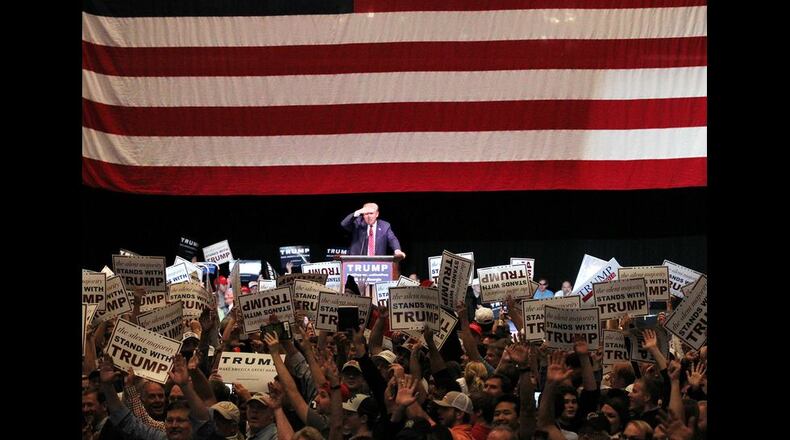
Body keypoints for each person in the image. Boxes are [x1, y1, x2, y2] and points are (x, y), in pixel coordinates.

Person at [341, 203, 405, 259]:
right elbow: (344, 224)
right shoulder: (358, 223)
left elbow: (392, 239)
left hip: (378, 263)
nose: (369, 216)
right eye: (366, 214)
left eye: (371, 213)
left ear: (377, 214)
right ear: (363, 215)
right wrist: (358, 212)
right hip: (357, 262)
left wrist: (397, 250)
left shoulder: (385, 226)